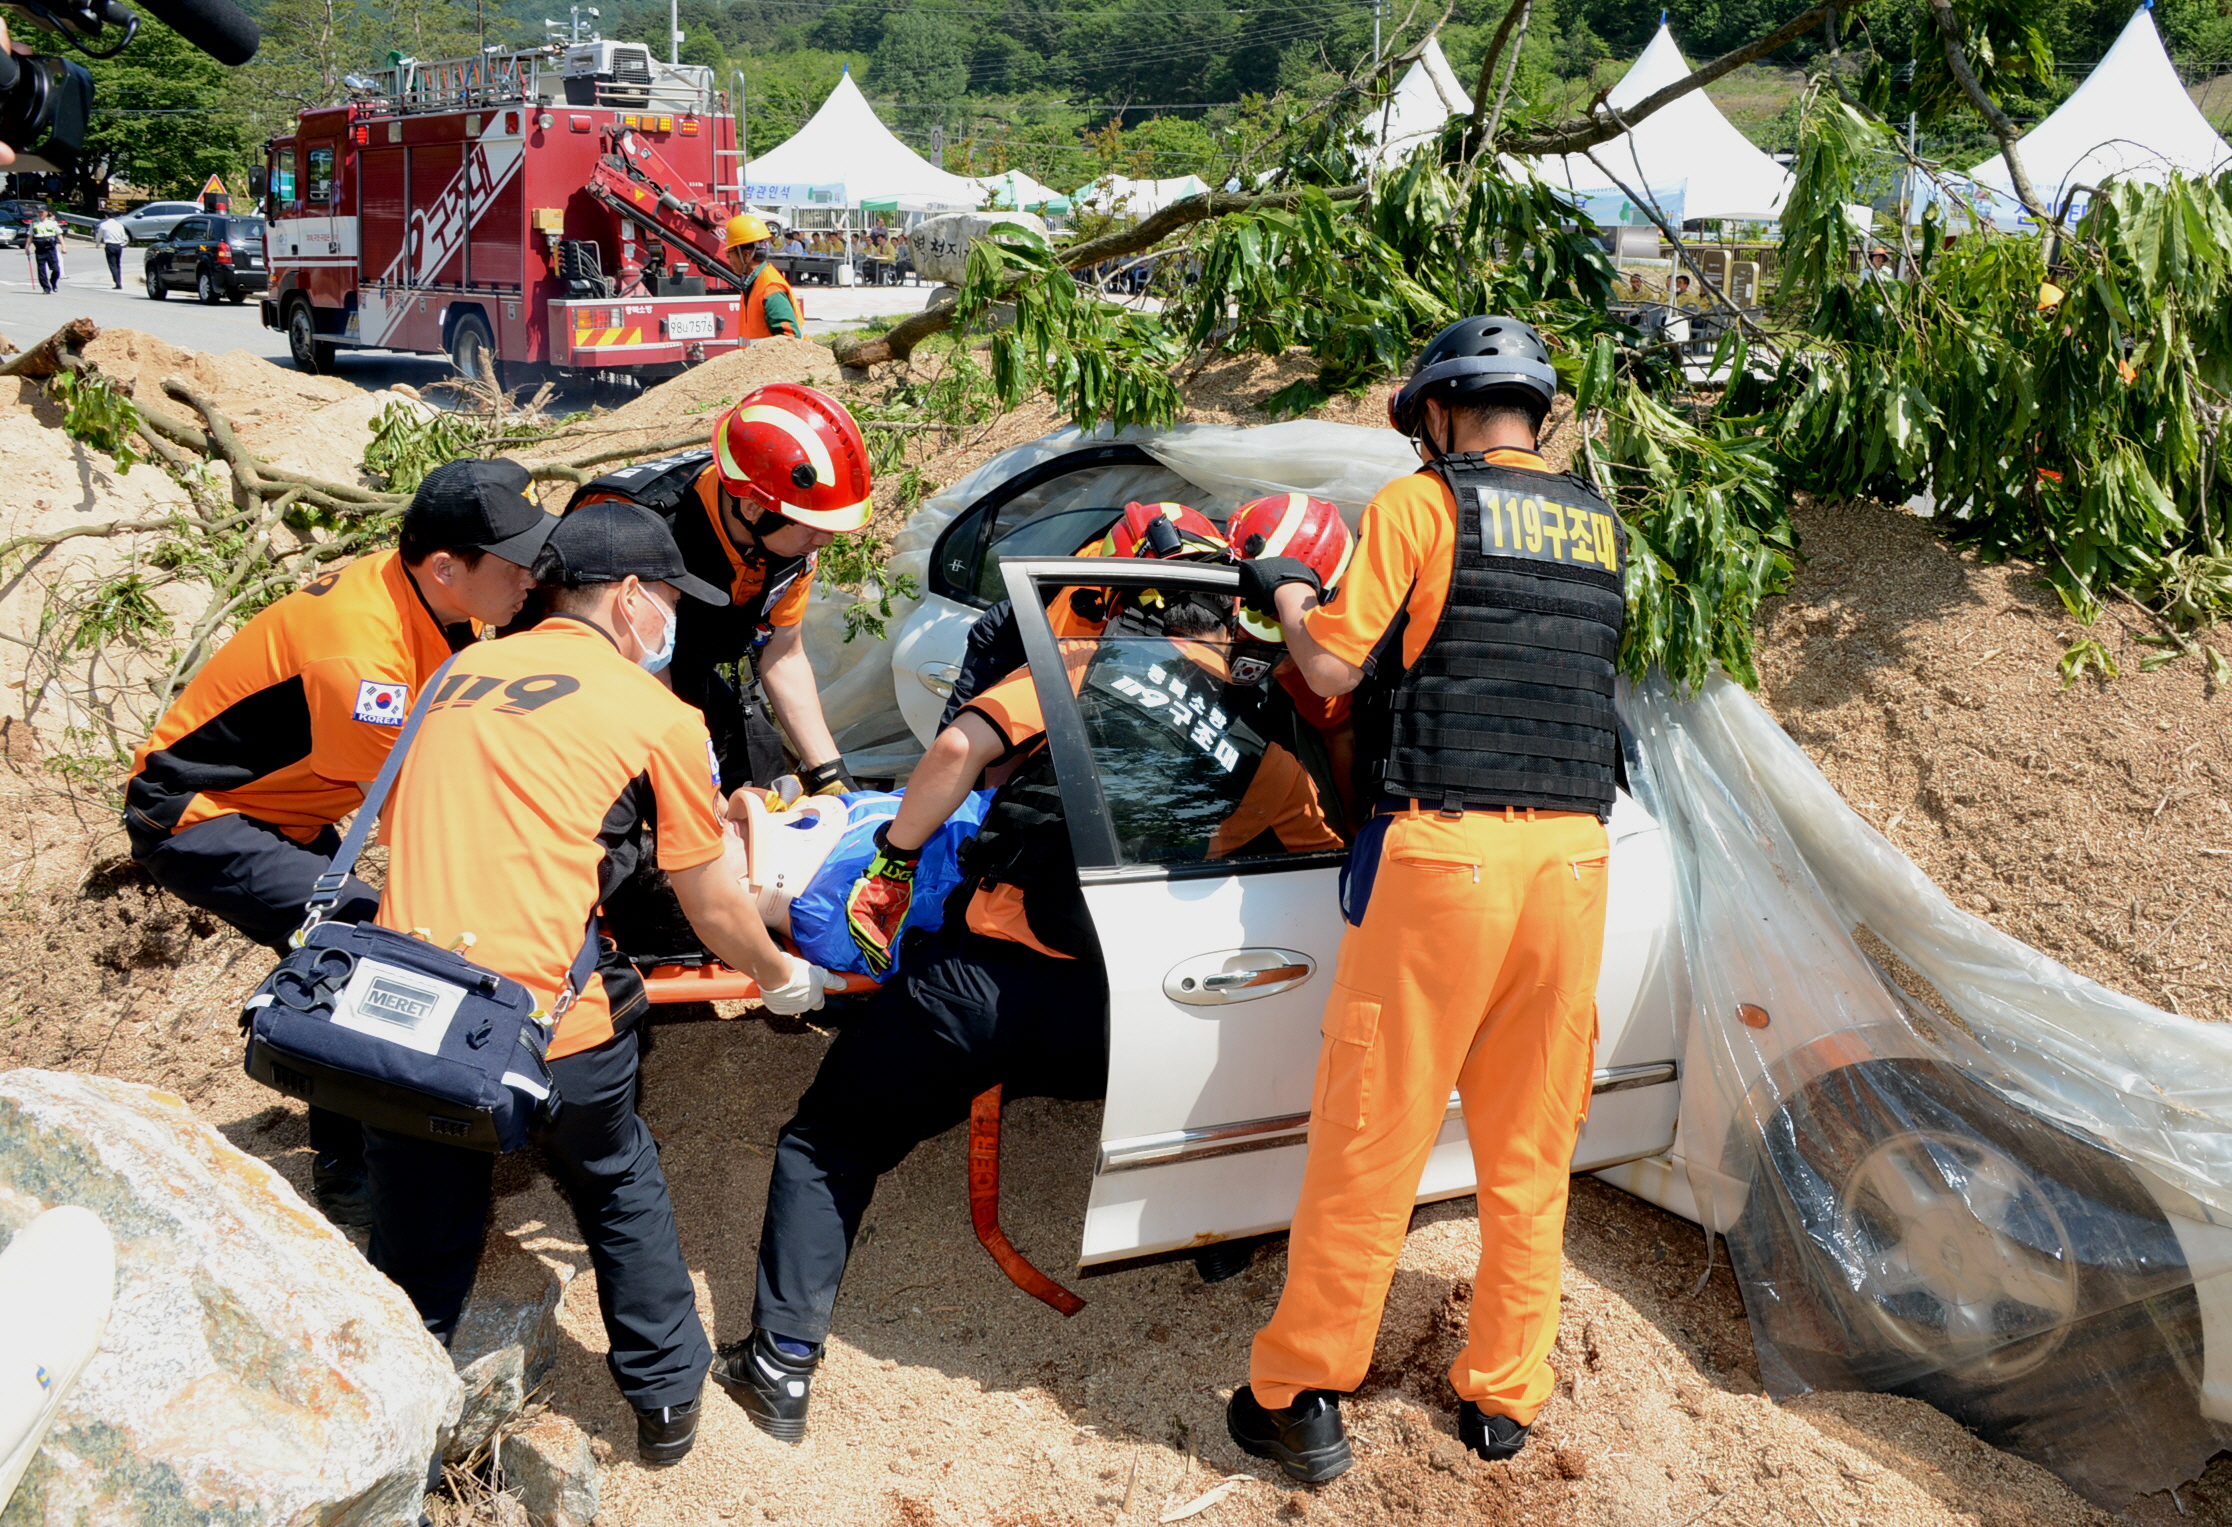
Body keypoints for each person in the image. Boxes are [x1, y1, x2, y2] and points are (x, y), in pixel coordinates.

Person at [718, 523, 1353, 1444]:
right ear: (1244, 639)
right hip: (1117, 1022)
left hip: (979, 993)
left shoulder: (1087, 663)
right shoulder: (1273, 766)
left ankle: (779, 1365)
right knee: (1217, 1100)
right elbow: (1318, 878)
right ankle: (1227, 1232)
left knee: (831, 1143)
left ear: (1152, 610)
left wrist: (893, 862)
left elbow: (951, 756)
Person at [1229, 315, 1624, 1484]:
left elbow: (1335, 670)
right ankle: (1505, 1398)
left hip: (1446, 858)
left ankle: (1298, 1393)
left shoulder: (1421, 504)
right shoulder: (1599, 525)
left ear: (1440, 413)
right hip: (1575, 862)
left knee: (1372, 1138)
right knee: (1529, 1145)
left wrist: (1292, 593)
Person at [363, 500, 833, 1466]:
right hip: (545, 1026)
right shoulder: (654, 712)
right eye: (667, 597)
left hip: (406, 1012)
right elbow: (710, 903)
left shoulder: (454, 670)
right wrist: (782, 976)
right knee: (615, 1177)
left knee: (421, 1221)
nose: (673, 617)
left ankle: (391, 1414)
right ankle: (666, 1403)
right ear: (627, 599)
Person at [125, 460, 555, 1225]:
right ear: (448, 566)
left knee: (361, 937)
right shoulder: (364, 663)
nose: (532, 574)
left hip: (284, 806)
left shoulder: (435, 598)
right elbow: (418, 812)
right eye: (517, 560)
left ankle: (367, 1126)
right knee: (367, 939)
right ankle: (350, 1173)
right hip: (199, 815)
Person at [721, 213, 802, 339]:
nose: (728, 258)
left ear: (747, 255)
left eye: (730, 253)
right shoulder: (754, 283)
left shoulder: (770, 287)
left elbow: (789, 340)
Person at [28, 208, 61, 294]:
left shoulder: (52, 222)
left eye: (42, 212)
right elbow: (30, 236)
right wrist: (27, 247)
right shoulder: (34, 223)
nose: (40, 214)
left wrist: (64, 246)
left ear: (46, 213)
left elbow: (59, 235)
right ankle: (46, 288)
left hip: (50, 249)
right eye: (39, 212)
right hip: (40, 250)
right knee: (41, 270)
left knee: (56, 269)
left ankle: (53, 282)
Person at [94, 211, 127, 289]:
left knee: (112, 265)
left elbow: (99, 235)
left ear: (106, 216)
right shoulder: (119, 225)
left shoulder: (103, 225)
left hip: (110, 245)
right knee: (118, 264)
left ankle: (117, 283)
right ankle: (119, 281)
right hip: (118, 246)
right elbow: (123, 236)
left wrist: (97, 243)